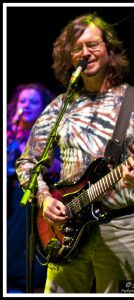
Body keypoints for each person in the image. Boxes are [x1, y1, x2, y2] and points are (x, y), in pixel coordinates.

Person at [16, 13, 134, 293]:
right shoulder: (60, 106)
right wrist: (44, 200)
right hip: (67, 230)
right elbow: (28, 163)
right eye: (77, 48)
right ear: (68, 57)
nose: (85, 53)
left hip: (123, 228)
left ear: (109, 50)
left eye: (92, 45)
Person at [7, 83, 61, 292]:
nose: (26, 105)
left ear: (42, 107)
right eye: (23, 101)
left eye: (33, 102)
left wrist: (30, 156)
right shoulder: (9, 130)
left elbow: (59, 167)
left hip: (35, 198)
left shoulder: (50, 133)